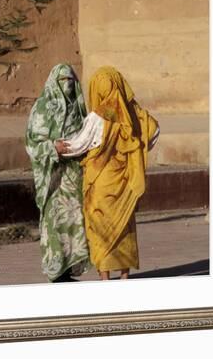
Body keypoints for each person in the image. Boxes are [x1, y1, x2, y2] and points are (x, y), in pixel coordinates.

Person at [58, 66, 159, 281]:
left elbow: (79, 145)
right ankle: (124, 276)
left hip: (101, 183)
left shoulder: (98, 117)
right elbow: (154, 131)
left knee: (100, 228)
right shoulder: (135, 114)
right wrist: (139, 150)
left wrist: (56, 147)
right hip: (125, 181)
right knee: (124, 227)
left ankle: (105, 277)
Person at [25, 63, 91, 283]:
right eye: (64, 81)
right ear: (55, 82)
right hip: (52, 179)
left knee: (74, 222)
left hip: (73, 177)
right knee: (54, 222)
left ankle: (68, 271)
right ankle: (56, 273)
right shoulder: (42, 109)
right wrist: (54, 148)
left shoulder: (78, 108)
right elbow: (32, 144)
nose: (68, 85)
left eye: (71, 81)